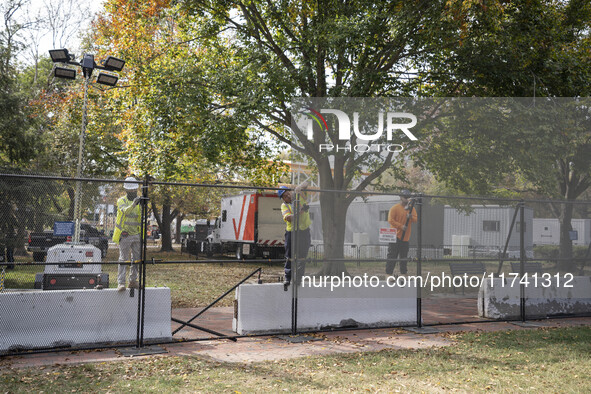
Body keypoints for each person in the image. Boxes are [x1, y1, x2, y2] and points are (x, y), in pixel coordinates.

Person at [278, 182, 312, 287]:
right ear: (283, 199)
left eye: (288, 193)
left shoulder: (299, 195)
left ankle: (298, 280)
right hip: (291, 232)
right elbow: (288, 218)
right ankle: (288, 278)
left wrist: (298, 187)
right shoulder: (284, 206)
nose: (288, 196)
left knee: (302, 256)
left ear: (290, 191)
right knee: (290, 256)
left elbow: (307, 183)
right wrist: (298, 213)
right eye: (285, 196)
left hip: (304, 231)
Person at [112, 176, 142, 291]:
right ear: (127, 190)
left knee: (137, 259)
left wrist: (142, 205)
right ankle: (121, 283)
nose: (133, 192)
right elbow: (125, 211)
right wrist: (134, 204)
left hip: (136, 235)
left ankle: (133, 281)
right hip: (125, 235)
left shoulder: (139, 203)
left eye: (134, 190)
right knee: (123, 259)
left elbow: (141, 217)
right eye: (131, 190)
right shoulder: (121, 201)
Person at [385, 189, 417, 276]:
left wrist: (410, 217)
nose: (407, 199)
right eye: (405, 197)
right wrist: (401, 226)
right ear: (400, 197)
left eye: (408, 197)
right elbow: (390, 220)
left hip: (405, 237)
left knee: (404, 256)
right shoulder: (394, 208)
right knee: (392, 255)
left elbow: (415, 219)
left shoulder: (412, 209)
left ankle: (403, 273)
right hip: (394, 236)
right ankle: (389, 274)